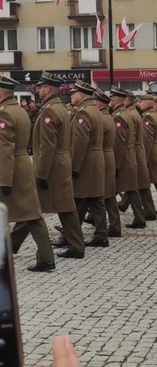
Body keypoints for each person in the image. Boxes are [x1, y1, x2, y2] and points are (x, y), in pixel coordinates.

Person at [0, 75, 55, 272]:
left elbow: (4, 149)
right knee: (31, 214)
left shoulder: (4, 114)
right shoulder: (20, 111)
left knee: (29, 214)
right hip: (22, 164)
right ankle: (46, 257)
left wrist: (4, 181)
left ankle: (44, 258)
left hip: (11, 168)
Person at [34, 71, 85, 259]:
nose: (38, 90)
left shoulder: (49, 110)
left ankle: (13, 244)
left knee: (33, 208)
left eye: (40, 87)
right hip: (61, 162)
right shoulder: (61, 108)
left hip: (53, 165)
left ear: (47, 89)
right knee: (66, 207)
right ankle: (76, 246)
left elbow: (48, 146)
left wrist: (41, 173)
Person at [69, 80, 108, 247]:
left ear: (81, 95)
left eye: (73, 93)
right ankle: (101, 235)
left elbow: (79, 144)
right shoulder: (95, 110)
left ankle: (72, 236)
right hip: (96, 160)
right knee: (96, 200)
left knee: (79, 200)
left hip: (86, 163)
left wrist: (74, 167)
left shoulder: (83, 113)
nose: (71, 96)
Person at [109, 86, 146, 229]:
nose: (110, 101)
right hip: (129, 154)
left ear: (115, 99)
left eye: (112, 98)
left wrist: (116, 164)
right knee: (131, 188)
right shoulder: (126, 113)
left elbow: (118, 142)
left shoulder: (119, 116)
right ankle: (139, 217)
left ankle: (105, 220)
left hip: (124, 156)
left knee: (119, 189)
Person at [121, 90, 157, 220]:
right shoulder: (135, 113)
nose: (139, 103)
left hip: (135, 151)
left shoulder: (131, 114)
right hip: (138, 150)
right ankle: (147, 211)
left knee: (135, 183)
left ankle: (143, 213)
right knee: (140, 183)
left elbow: (144, 137)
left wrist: (144, 156)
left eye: (141, 101)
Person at [94, 88, 122, 237]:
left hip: (103, 157)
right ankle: (114, 225)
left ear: (98, 105)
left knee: (102, 193)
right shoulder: (109, 117)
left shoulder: (102, 119)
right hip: (108, 156)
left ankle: (109, 226)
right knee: (108, 193)